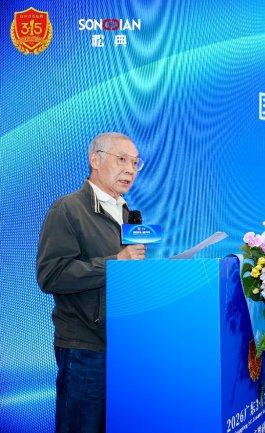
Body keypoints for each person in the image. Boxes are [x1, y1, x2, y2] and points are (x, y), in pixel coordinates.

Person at [37, 132, 146, 433]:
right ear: (95, 160)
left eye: (135, 163)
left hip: (126, 343)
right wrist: (115, 262)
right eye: (122, 159)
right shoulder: (68, 209)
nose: (130, 169)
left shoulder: (128, 214)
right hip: (85, 347)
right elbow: (51, 274)